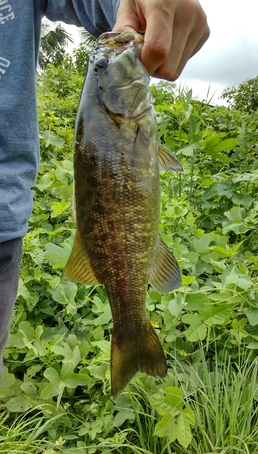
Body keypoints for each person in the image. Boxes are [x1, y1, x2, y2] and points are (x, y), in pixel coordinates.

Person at [0, 0, 209, 376]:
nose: (109, 59)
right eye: (102, 66)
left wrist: (132, 5)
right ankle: (131, 333)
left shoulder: (125, 120)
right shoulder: (124, 120)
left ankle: (130, 332)